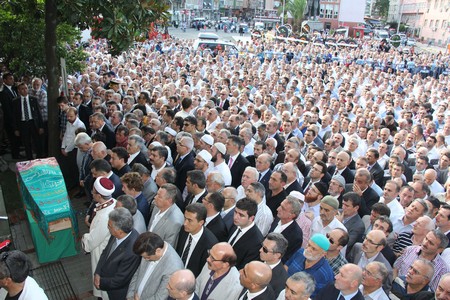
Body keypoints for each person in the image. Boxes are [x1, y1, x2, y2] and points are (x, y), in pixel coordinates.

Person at [94, 207, 140, 299]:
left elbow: (121, 280)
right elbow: (105, 252)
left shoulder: (132, 251)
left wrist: (100, 282)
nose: (108, 227)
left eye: (109, 226)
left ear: (120, 231)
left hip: (118, 293)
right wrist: (97, 272)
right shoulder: (115, 234)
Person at [81, 177, 116, 298]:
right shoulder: (113, 202)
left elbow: (92, 241)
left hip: (101, 253)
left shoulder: (104, 217)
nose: (91, 194)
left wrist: (84, 238)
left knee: (102, 289)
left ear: (99, 195)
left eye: (93, 191)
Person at [126, 232, 184, 300]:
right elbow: (138, 273)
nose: (145, 259)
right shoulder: (148, 249)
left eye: (147, 257)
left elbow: (160, 297)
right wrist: (130, 296)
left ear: (158, 251)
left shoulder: (173, 268)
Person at [175, 203, 218, 277]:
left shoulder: (210, 244)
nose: (185, 223)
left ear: (201, 222)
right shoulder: (184, 230)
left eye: (189, 220)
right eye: (185, 218)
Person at [228, 197, 264, 270]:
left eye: (241, 215)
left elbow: (245, 268)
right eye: (235, 212)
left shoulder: (256, 242)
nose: (235, 217)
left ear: (251, 218)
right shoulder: (236, 224)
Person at [12, 82, 45, 160]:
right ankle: (29, 158)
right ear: (19, 91)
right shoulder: (15, 101)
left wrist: (41, 126)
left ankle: (39, 157)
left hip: (33, 122)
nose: (24, 90)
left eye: (26, 88)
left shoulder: (33, 99)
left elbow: (39, 113)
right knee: (26, 143)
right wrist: (16, 129)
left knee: (37, 141)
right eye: (22, 89)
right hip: (23, 123)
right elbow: (14, 116)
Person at [147, 183, 184, 247]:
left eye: (159, 196)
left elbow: (167, 248)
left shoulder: (175, 223)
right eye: (157, 194)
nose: (155, 197)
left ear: (169, 201)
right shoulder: (157, 206)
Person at [260, 233, 289, 297]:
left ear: (277, 255)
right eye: (261, 245)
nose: (260, 250)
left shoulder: (281, 281)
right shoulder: (258, 259)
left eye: (265, 249)